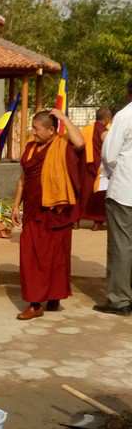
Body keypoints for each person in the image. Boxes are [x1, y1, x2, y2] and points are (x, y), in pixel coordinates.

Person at [12, 109, 84, 320]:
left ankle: (53, 296)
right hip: (34, 211)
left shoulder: (61, 145)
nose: (33, 132)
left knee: (56, 255)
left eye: (36, 129)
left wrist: (63, 118)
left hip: (55, 211)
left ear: (52, 130)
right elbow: (23, 179)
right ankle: (35, 302)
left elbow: (80, 143)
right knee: (30, 256)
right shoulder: (30, 148)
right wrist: (16, 205)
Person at [94, 81, 132, 315]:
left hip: (125, 189)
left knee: (121, 246)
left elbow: (109, 154)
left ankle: (119, 298)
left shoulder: (125, 115)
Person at [79, 107, 112, 230]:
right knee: (99, 193)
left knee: (83, 192)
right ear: (107, 118)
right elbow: (109, 145)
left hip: (85, 166)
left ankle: (77, 221)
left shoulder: (85, 129)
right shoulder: (105, 131)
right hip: (100, 167)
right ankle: (97, 222)